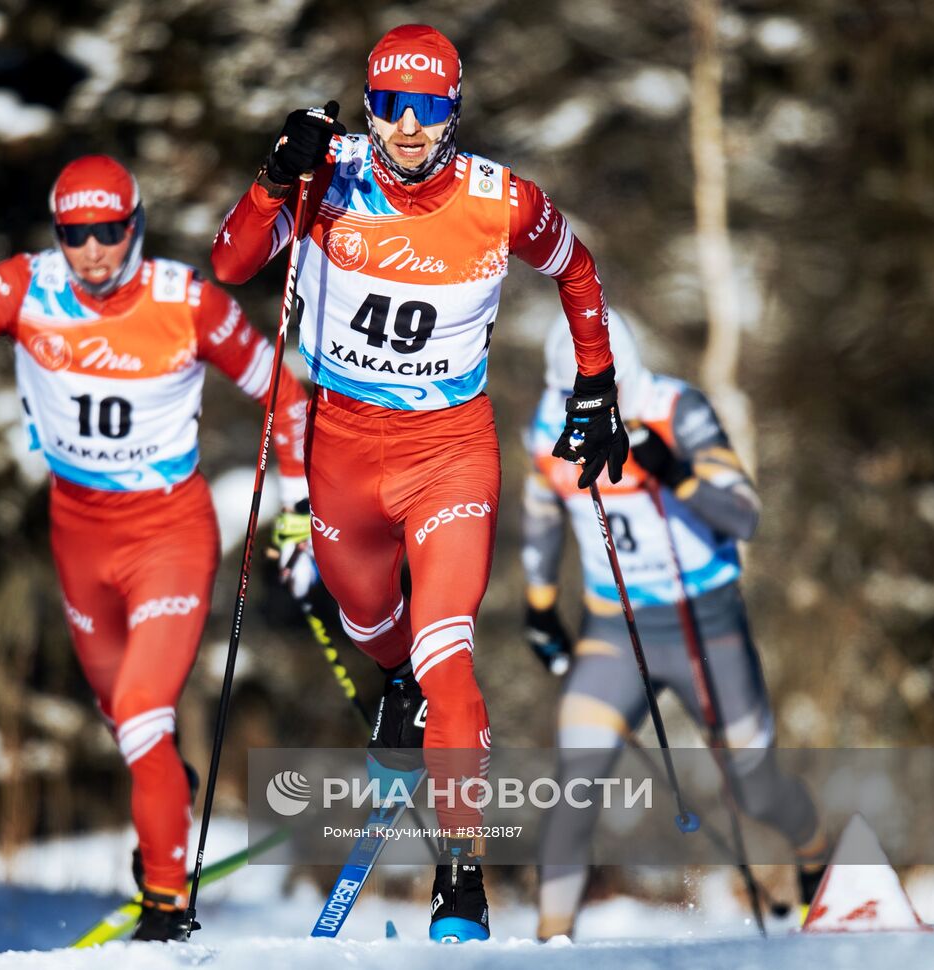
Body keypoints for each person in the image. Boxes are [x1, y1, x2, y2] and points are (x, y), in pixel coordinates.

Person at [212, 23, 629, 942]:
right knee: (371, 623)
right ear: (370, 108)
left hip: (450, 451)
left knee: (450, 659)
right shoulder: (329, 176)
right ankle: (395, 679)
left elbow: (579, 269)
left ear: (454, 112)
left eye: (428, 109)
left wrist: (597, 384)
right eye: (391, 107)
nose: (407, 128)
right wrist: (274, 178)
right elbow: (232, 263)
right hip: (343, 450)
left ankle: (462, 882)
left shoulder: (500, 202)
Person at [0, 155, 309, 942]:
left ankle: (165, 906)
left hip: (170, 534)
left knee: (146, 715)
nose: (93, 252)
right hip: (79, 535)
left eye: (109, 232)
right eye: (76, 234)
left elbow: (283, 394)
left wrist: (296, 511)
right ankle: (167, 794)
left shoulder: (187, 301)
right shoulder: (23, 286)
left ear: (136, 226)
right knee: (129, 726)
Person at [522, 312, 827, 940]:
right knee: (574, 784)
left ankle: (817, 865)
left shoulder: (677, 408)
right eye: (569, 395)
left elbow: (744, 516)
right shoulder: (550, 425)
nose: (580, 408)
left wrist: (678, 472)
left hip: (704, 627)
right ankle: (550, 944)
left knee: (756, 788)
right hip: (613, 632)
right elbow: (542, 511)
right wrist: (540, 602)